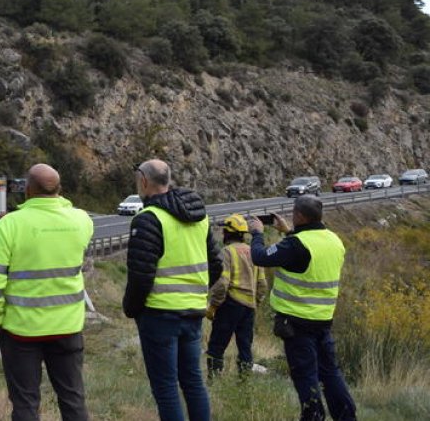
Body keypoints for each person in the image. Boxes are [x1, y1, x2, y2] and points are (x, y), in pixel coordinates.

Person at [0, 164, 94, 421]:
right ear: (60, 190)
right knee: (73, 400)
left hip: (21, 331)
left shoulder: (9, 225)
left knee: (26, 403)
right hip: (68, 327)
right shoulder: (82, 221)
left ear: (27, 190)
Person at [122, 160, 221, 421]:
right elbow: (216, 265)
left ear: (144, 181)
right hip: (193, 313)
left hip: (159, 315)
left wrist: (132, 310)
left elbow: (140, 276)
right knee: (193, 382)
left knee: (166, 388)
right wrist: (196, 291)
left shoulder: (148, 219)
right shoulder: (201, 218)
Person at [248, 197, 357, 421]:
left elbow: (259, 257)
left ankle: (313, 415)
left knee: (305, 374)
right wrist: (288, 232)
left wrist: (257, 233)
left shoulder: (296, 244)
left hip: (297, 322)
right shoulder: (334, 240)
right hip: (323, 319)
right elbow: (306, 258)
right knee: (330, 373)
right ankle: (346, 415)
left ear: (299, 216)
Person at [205, 213, 268, 376]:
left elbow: (222, 283)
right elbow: (262, 284)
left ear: (228, 233)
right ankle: (244, 382)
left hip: (230, 304)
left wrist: (213, 305)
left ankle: (214, 380)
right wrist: (256, 302)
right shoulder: (254, 252)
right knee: (245, 348)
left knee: (216, 346)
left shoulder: (227, 252)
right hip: (249, 307)